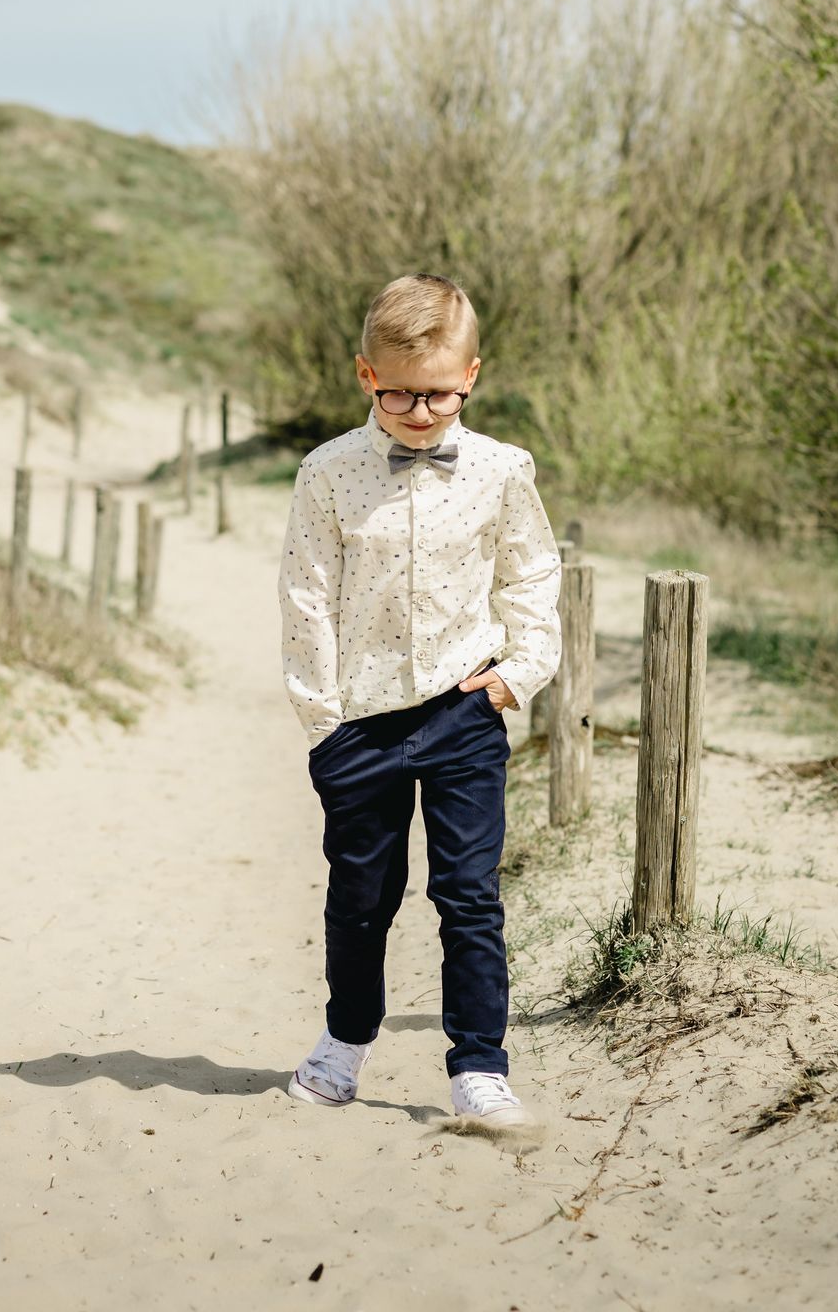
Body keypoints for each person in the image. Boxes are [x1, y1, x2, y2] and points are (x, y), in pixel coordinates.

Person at [277, 272, 562, 1122]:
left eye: (439, 393)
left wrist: (519, 673)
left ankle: (479, 1066)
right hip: (358, 724)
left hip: (463, 711)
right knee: (360, 899)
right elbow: (305, 596)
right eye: (399, 392)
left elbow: (531, 576)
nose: (420, 412)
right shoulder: (327, 473)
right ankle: (344, 1042)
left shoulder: (502, 470)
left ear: (471, 376)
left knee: (468, 895)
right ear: (366, 375)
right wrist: (322, 723)